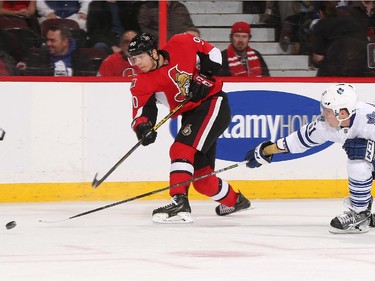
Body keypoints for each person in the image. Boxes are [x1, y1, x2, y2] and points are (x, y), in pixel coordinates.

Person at [127, 32, 251, 223]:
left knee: (180, 149)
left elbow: (214, 54)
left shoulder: (181, 42)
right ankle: (236, 201)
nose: (137, 63)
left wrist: (203, 78)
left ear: (153, 52)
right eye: (133, 58)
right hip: (191, 115)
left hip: (212, 102)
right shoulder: (142, 82)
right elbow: (142, 112)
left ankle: (179, 203)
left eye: (140, 56)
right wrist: (144, 128)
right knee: (202, 180)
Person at [244, 83, 375, 234]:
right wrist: (265, 151)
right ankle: (360, 213)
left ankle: (360, 215)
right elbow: (297, 141)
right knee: (360, 154)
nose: (323, 114)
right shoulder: (326, 126)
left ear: (343, 113)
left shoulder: (369, 121)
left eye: (328, 111)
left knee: (359, 159)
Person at [311, 1, 370, 77]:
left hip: (335, 68)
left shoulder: (321, 25)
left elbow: (318, 58)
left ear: (321, 12)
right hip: (361, 66)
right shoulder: (352, 21)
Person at [18, 25, 93, 76]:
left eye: (52, 40)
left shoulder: (81, 59)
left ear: (65, 42)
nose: (48, 43)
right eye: (47, 40)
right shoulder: (41, 57)